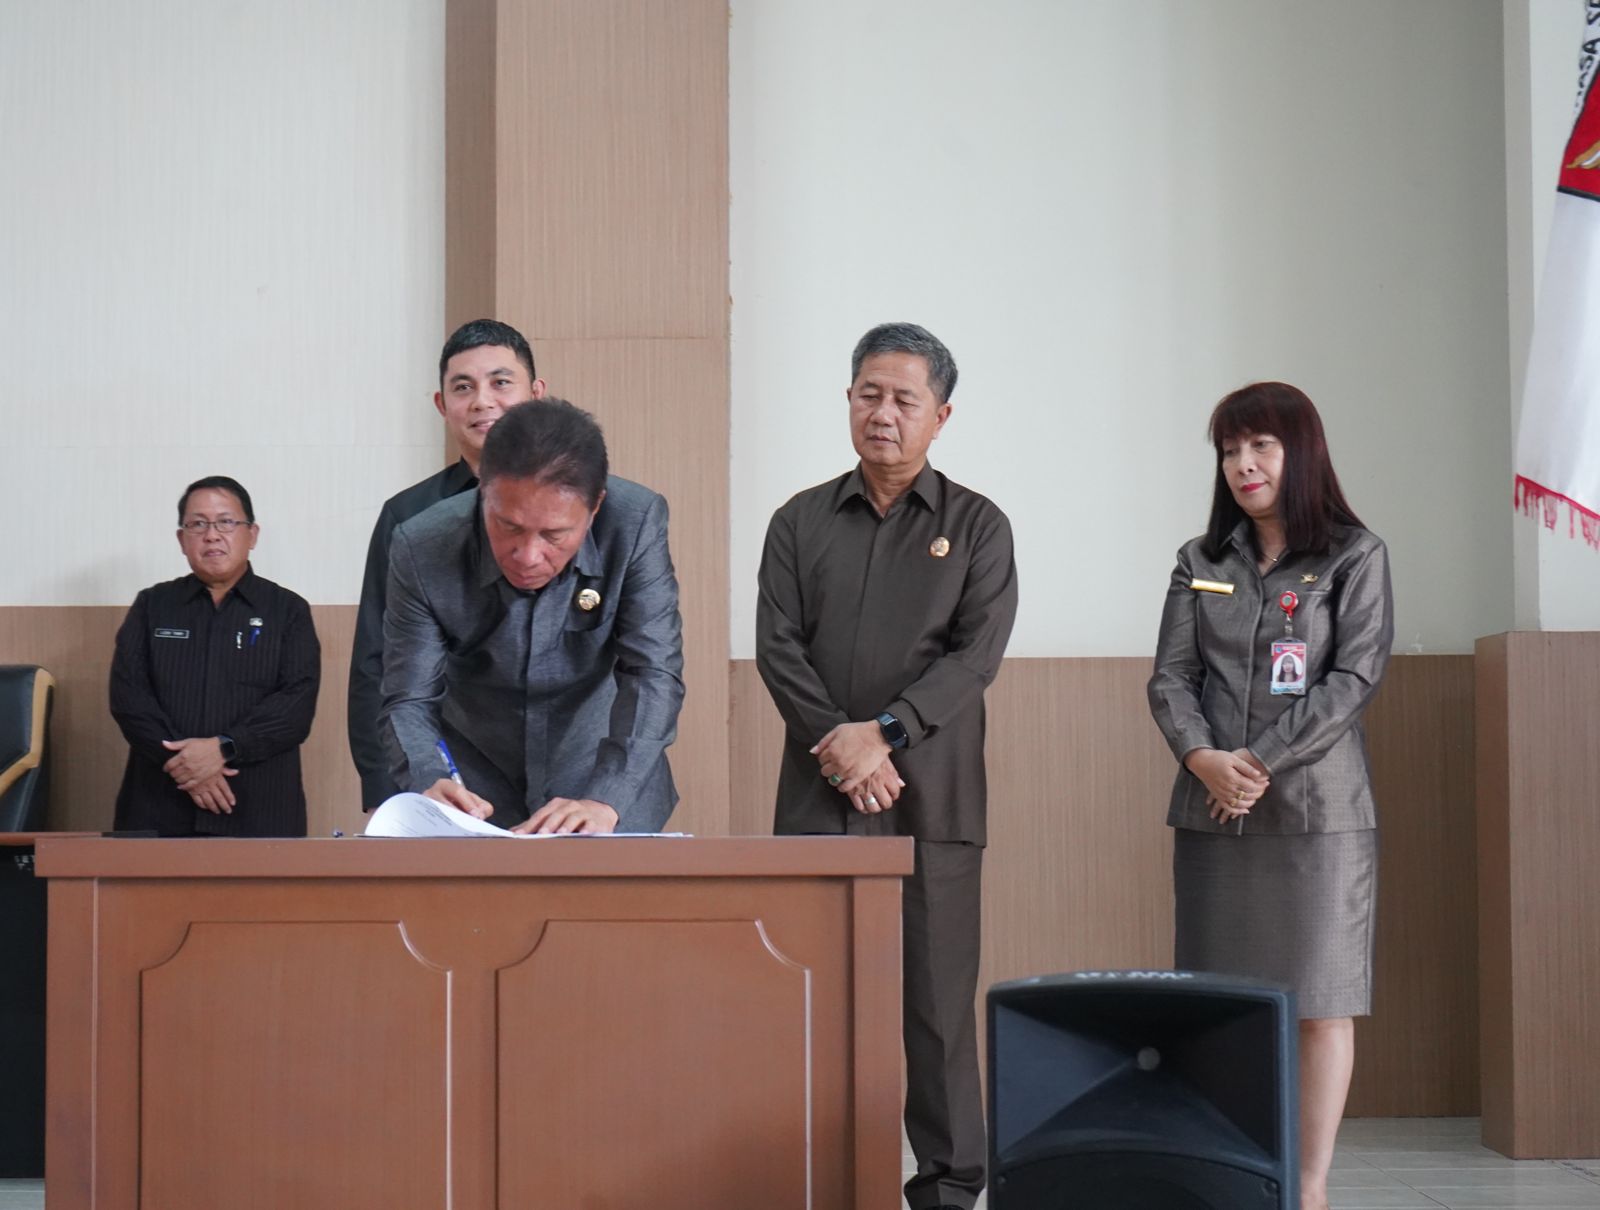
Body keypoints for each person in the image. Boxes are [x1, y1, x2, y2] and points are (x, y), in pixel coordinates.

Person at [756, 323, 1017, 1210]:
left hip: (933, 800)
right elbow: (779, 649)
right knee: (815, 1001)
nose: (884, 413)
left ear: (941, 416)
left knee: (937, 1011)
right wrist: (843, 744)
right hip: (820, 793)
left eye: (906, 399)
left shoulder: (978, 525)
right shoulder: (798, 521)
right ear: (848, 400)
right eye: (870, 394)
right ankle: (820, 1182)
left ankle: (949, 1189)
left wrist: (886, 734)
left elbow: (974, 658)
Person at [1147, 381, 1393, 1210]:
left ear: (1302, 453)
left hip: (1320, 818)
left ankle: (1308, 1189)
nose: (1243, 464)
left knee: (1321, 1007)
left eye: (1260, 446)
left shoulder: (1355, 554)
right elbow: (1170, 678)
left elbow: (1353, 677)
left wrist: (1254, 761)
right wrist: (1204, 759)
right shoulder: (1200, 561)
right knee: (1220, 1009)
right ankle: (1231, 1176)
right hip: (1214, 812)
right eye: (1229, 450)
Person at [381, 398, 684, 834]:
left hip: (602, 777)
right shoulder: (422, 546)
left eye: (554, 535)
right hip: (475, 792)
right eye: (508, 526)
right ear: (483, 490)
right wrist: (429, 777)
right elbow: (409, 696)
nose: (527, 555)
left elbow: (652, 672)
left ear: (595, 507)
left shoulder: (633, 523)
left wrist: (605, 798)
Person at [347, 318, 547, 810]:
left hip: (568, 776)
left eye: (501, 382)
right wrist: (386, 789)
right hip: (449, 778)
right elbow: (376, 661)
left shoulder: (585, 504)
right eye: (463, 387)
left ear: (536, 394)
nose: (482, 401)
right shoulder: (408, 517)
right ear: (442, 405)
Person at [110, 476, 321, 836]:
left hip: (258, 810)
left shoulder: (288, 610)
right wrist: (186, 766)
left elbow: (295, 707)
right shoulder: (152, 606)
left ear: (252, 534)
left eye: (225, 522)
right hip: (159, 805)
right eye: (198, 524)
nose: (211, 535)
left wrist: (225, 748)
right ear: (182, 539)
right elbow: (129, 698)